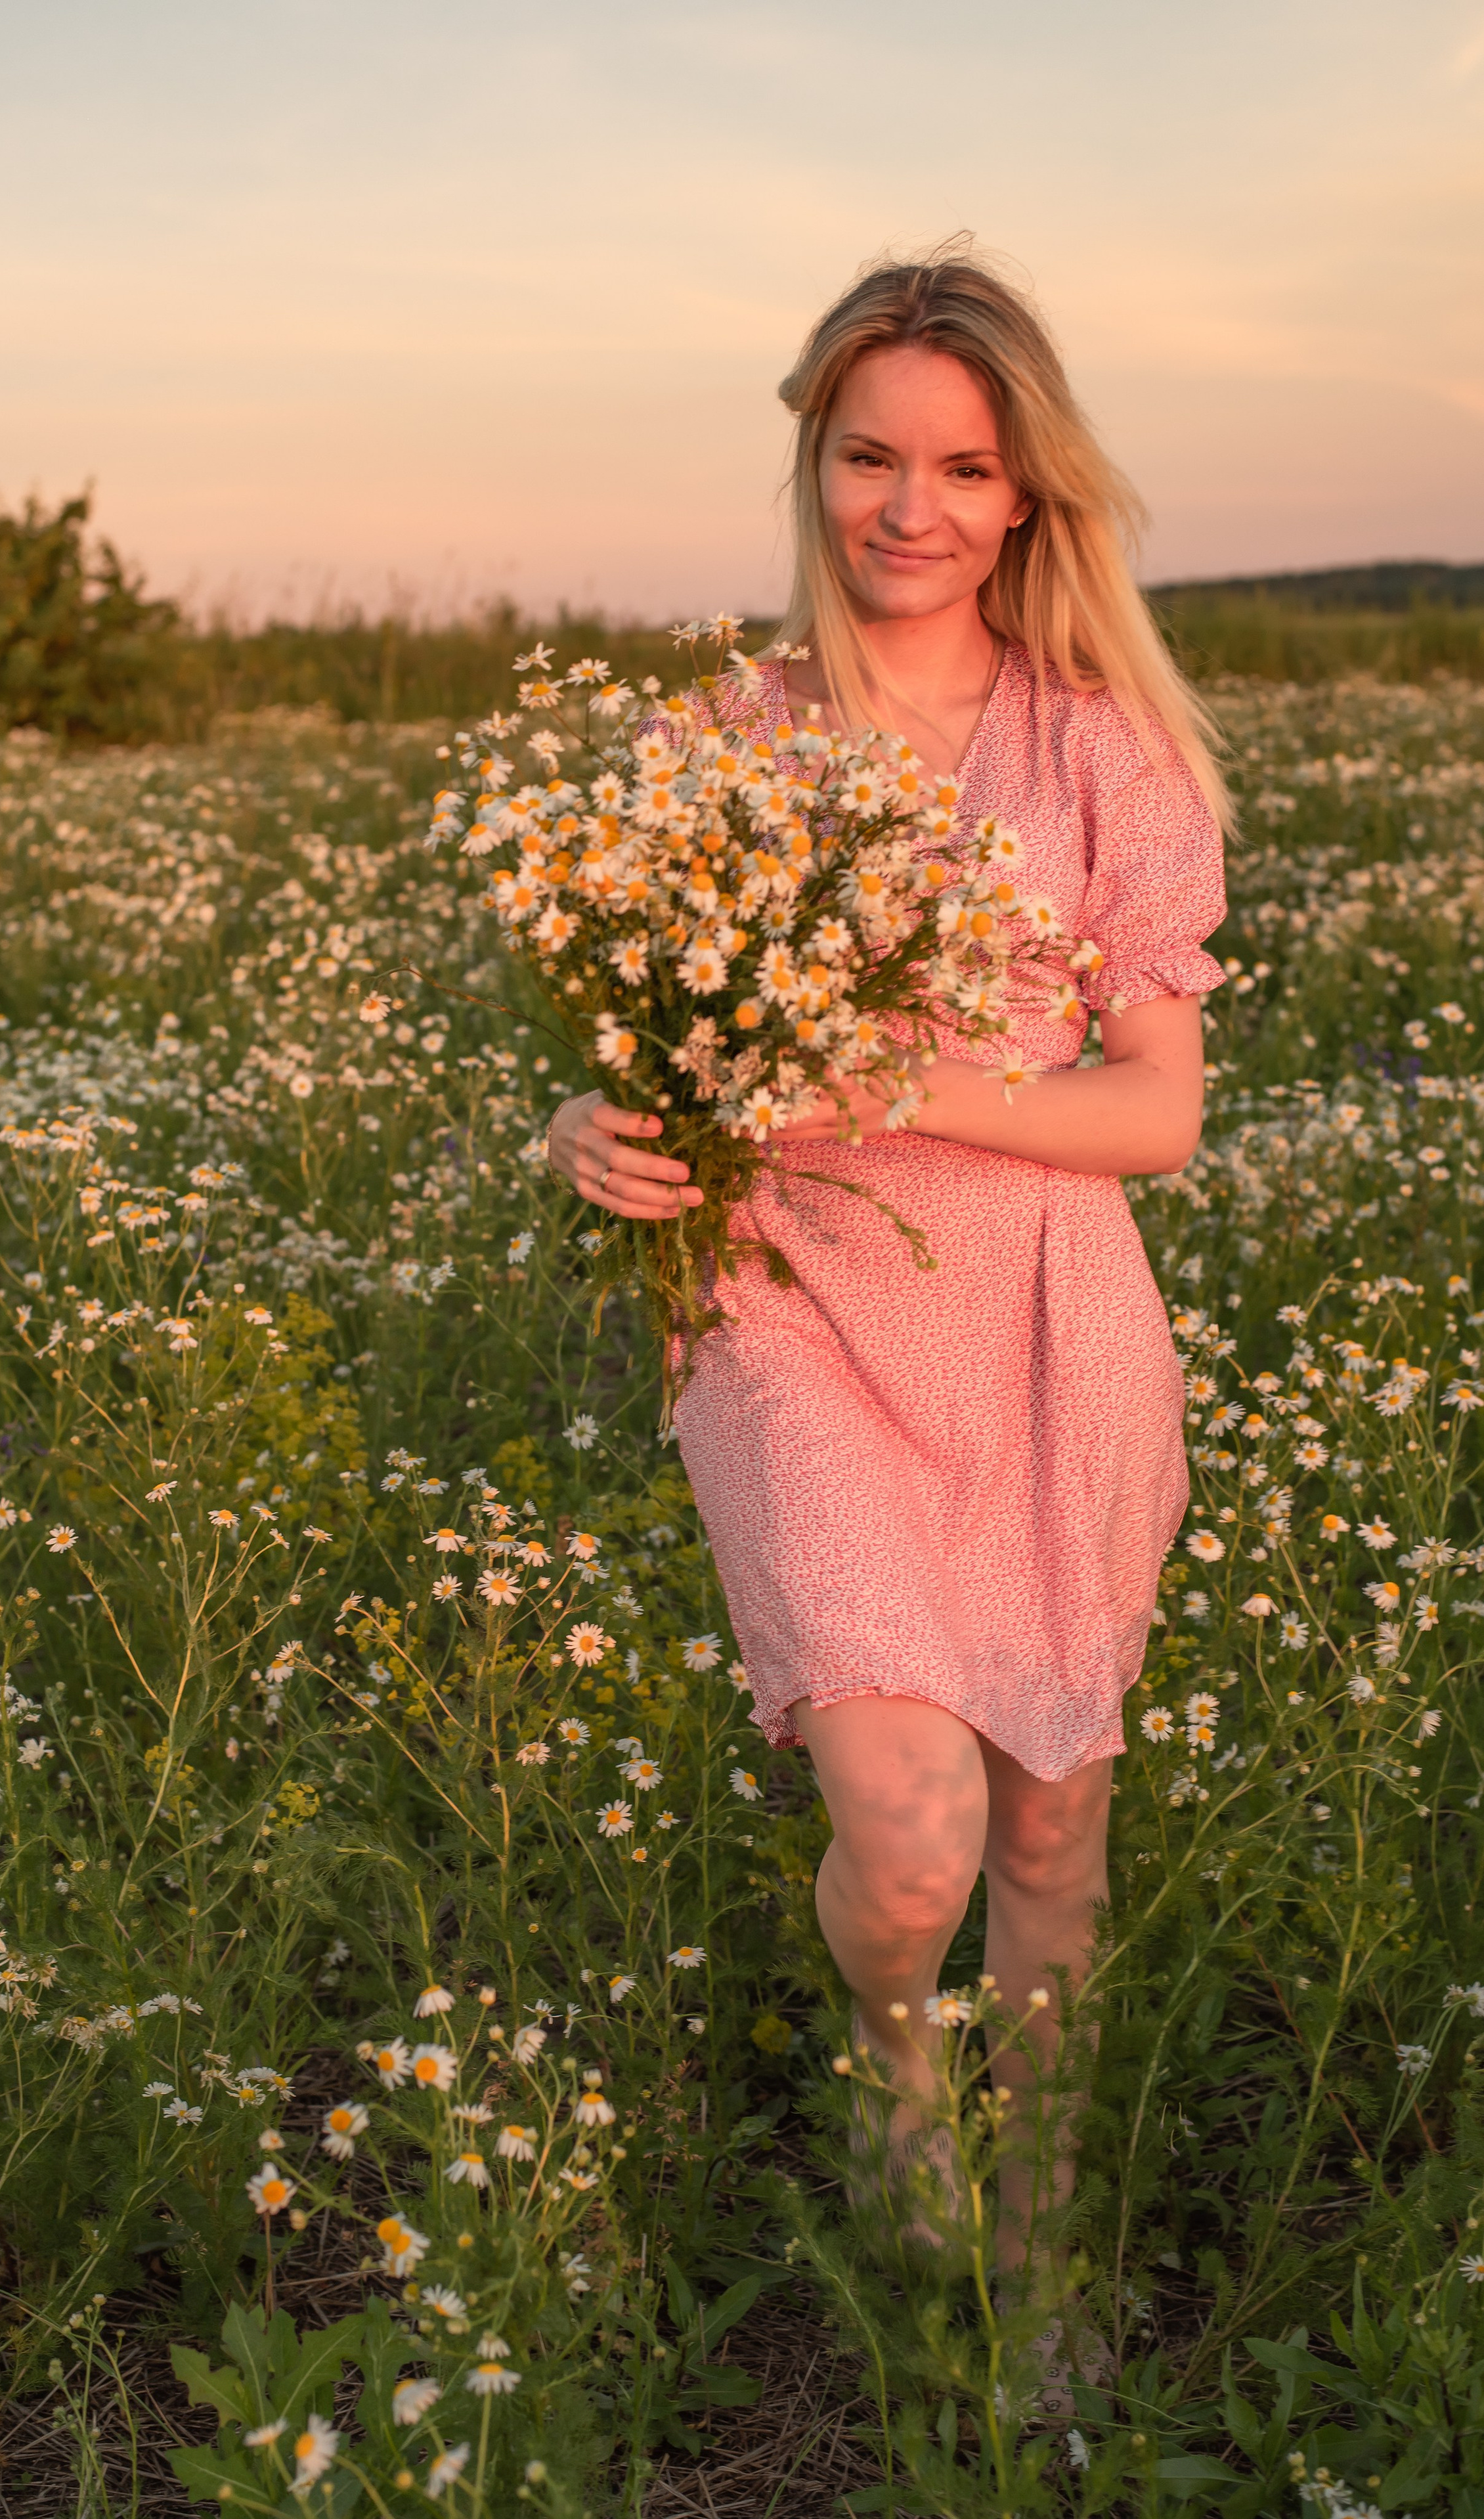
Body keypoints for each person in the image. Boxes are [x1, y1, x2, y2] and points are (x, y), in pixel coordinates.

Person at [545, 250, 1227, 2365]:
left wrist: (901, 1078)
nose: (906, 506)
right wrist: (592, 1119)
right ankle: (891, 2052)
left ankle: (1032, 2235)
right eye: (867, 455)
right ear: (813, 459)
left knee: (1048, 1805)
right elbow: (639, 1034)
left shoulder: (1101, 746)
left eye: (960, 465)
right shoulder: (710, 744)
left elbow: (1160, 1115)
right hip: (788, 1306)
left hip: (1042, 1310)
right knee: (914, 1839)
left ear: (1028, 496)